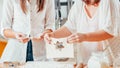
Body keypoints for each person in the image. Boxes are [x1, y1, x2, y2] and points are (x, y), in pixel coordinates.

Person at [45, 0, 120, 68]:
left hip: (108, 63)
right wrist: (53, 35)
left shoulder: (109, 2)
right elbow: (70, 27)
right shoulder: (79, 4)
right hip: (86, 63)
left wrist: (84, 36)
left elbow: (110, 31)